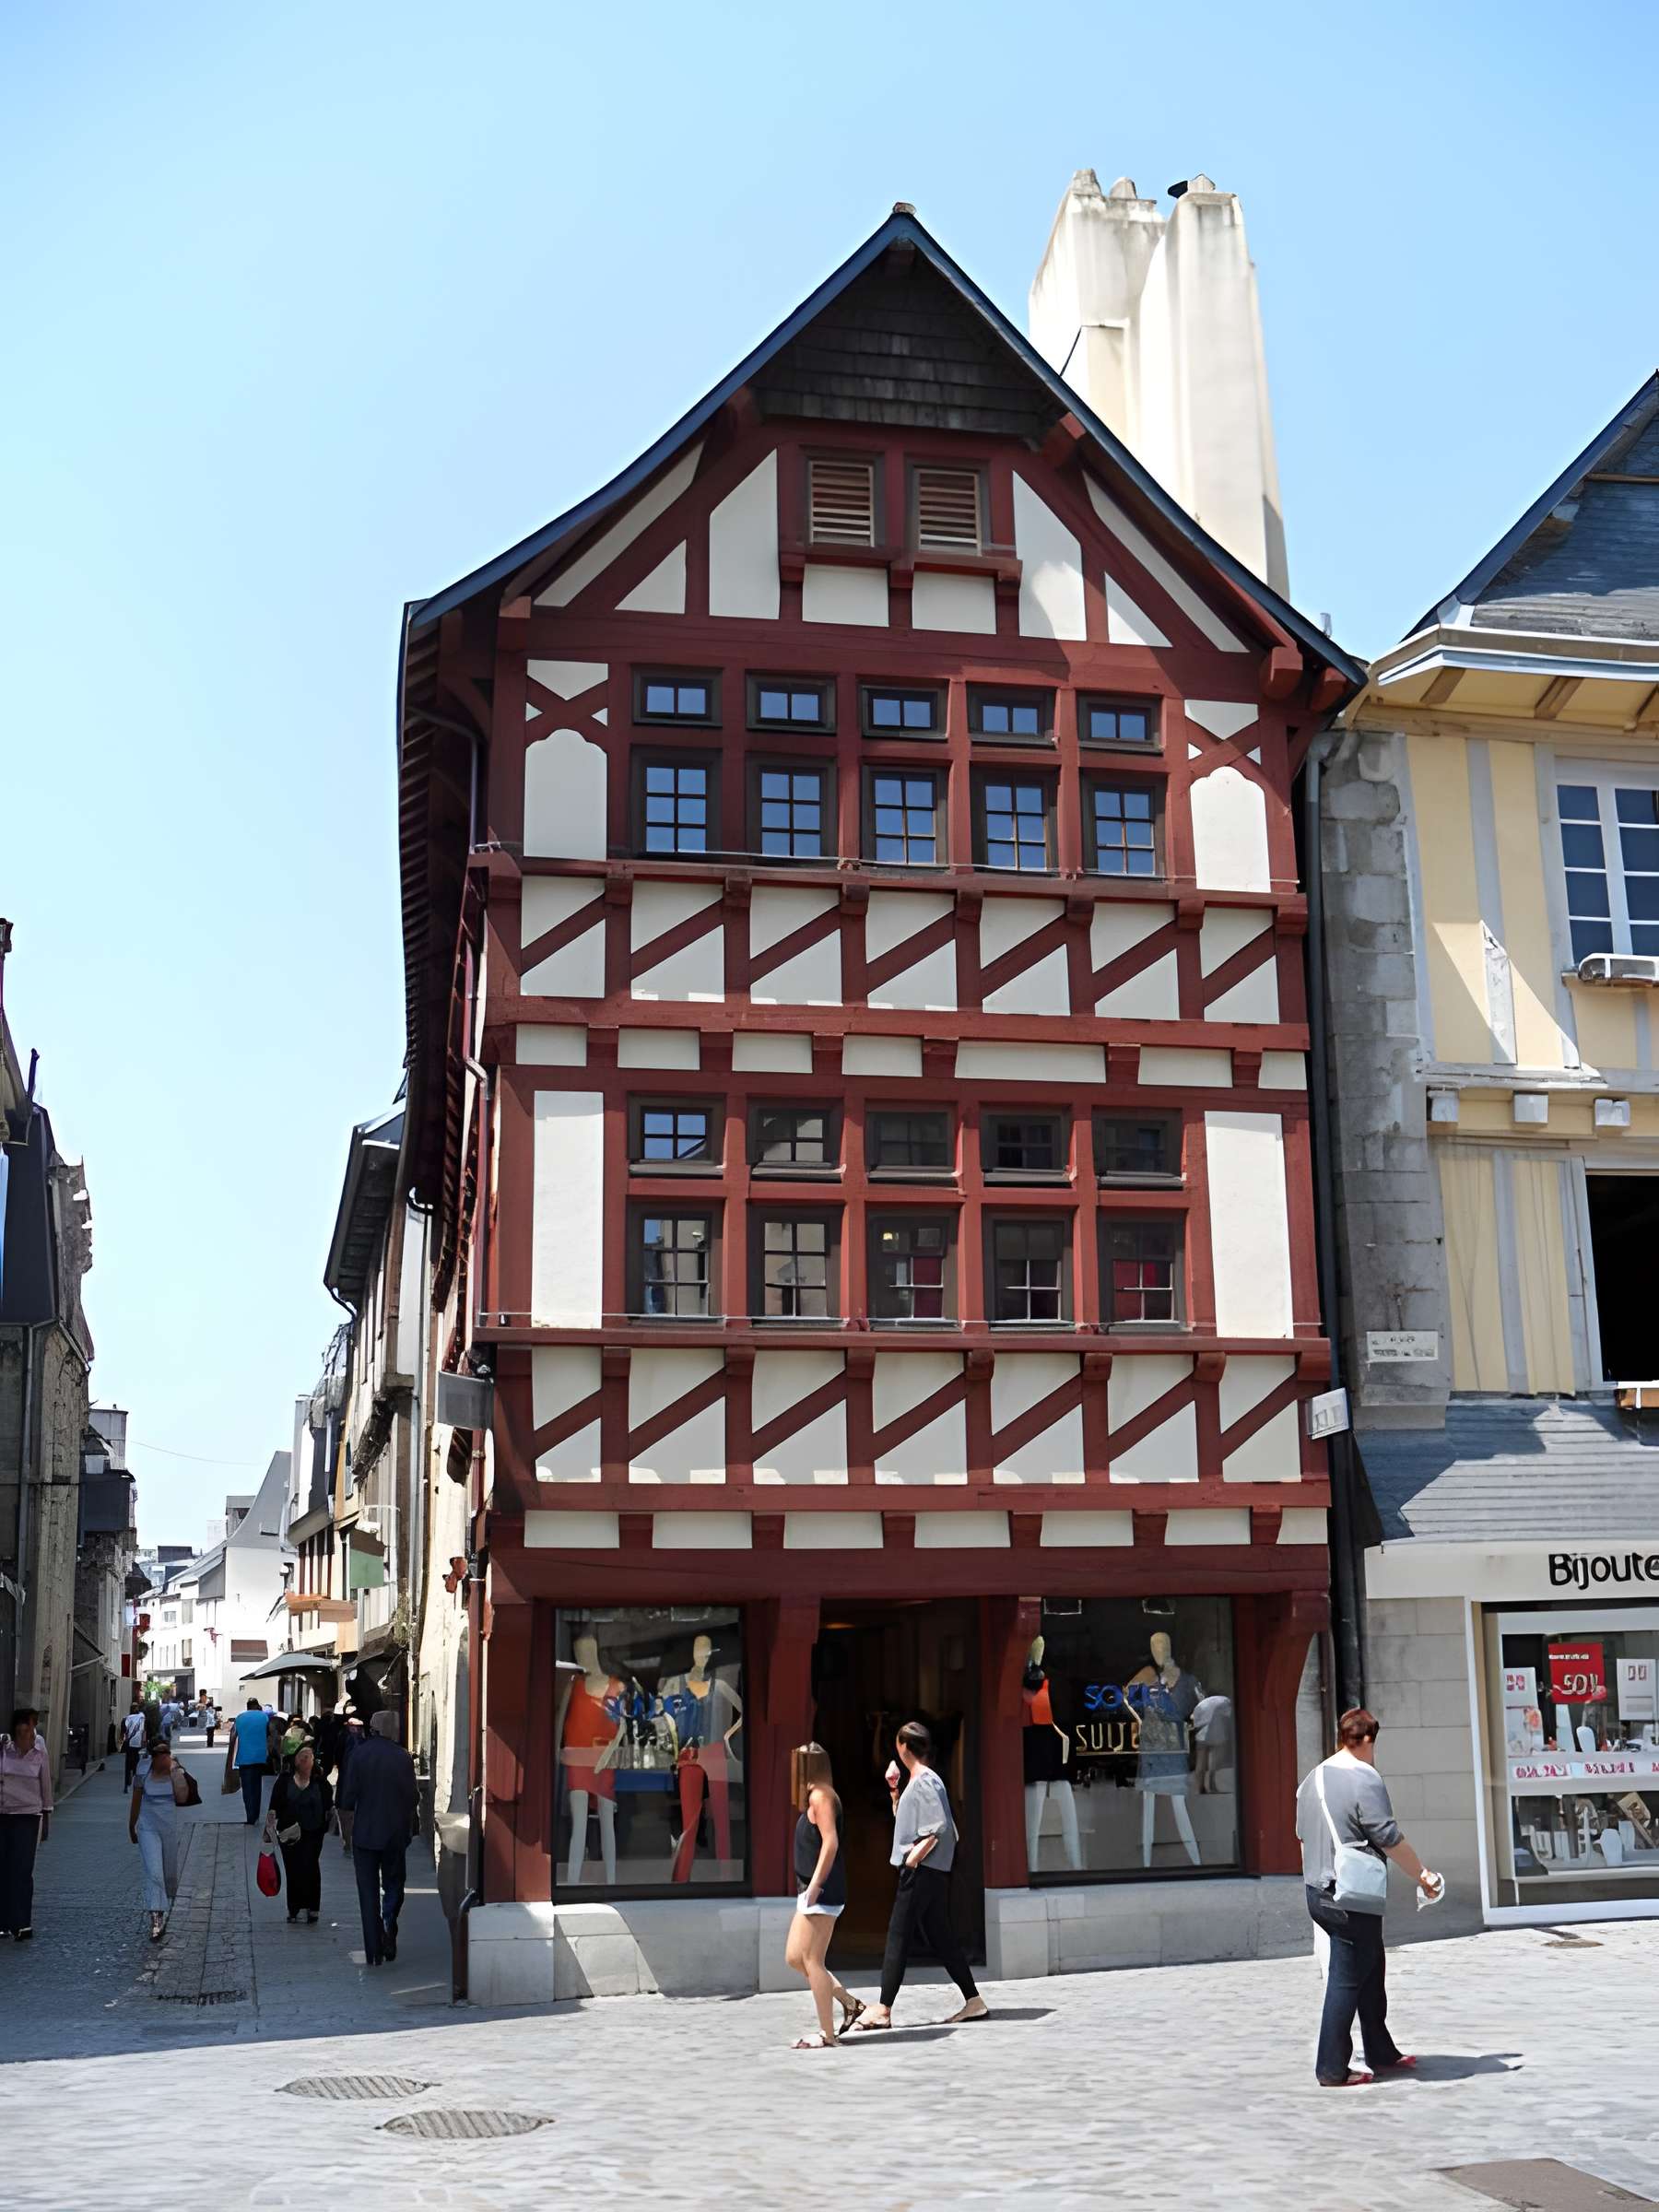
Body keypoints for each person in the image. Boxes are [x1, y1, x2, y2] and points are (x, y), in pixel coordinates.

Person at [1296, 1707, 1441, 2088]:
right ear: (1366, 1741)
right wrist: (1422, 1874)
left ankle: (1381, 2051)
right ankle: (1331, 2068)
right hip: (1350, 1893)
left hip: (1319, 1889)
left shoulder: (1312, 1779)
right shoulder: (1363, 1776)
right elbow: (1387, 1835)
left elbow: (1302, 1835)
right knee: (1346, 1980)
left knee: (1371, 1964)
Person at [852, 1721, 988, 2032]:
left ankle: (883, 2008)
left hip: (923, 1871)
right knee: (941, 1936)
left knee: (898, 1935)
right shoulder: (921, 1780)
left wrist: (913, 1860)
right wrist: (894, 1790)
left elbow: (937, 1827)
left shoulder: (925, 1780)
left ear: (903, 1747)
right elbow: (909, 1822)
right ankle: (973, 2000)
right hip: (931, 1871)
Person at [784, 1742, 864, 2049]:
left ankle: (827, 2034)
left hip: (822, 1890)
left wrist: (816, 1884)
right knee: (795, 1957)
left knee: (812, 1960)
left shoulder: (822, 1796)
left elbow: (830, 1843)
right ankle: (849, 2003)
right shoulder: (815, 1796)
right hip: (809, 1888)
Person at [337, 1710, 417, 1966]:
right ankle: (389, 1920)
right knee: (394, 1882)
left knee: (367, 1890)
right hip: (395, 1832)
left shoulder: (359, 1755)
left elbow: (348, 1797)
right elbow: (412, 1797)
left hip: (366, 1832)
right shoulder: (402, 1757)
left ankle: (373, 1948)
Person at [0, 1708, 53, 1942]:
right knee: (3, 1868)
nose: (30, 1732)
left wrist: (47, 1817)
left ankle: (22, 1923)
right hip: (3, 1814)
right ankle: (3, 1922)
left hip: (28, 1816)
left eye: (33, 1727)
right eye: (27, 1726)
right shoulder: (4, 1747)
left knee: (22, 1869)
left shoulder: (40, 1749)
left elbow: (46, 1784)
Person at [130, 1736, 189, 1941]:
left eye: (166, 1753)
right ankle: (156, 1916)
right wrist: (131, 1826)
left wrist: (175, 1771)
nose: (163, 1757)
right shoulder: (143, 1770)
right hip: (148, 1827)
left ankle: (161, 1909)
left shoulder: (176, 1769)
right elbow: (136, 1799)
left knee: (167, 1872)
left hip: (168, 1827)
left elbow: (182, 1797)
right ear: (152, 1756)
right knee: (154, 1871)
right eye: (159, 1753)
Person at [268, 1742, 333, 1925]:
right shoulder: (284, 1781)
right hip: (289, 1832)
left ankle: (313, 1908)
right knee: (293, 1869)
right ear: (295, 1760)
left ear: (313, 1761)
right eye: (302, 1756)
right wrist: (268, 1831)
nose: (305, 1759)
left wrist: (328, 1824)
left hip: (314, 1832)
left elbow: (329, 1807)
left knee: (311, 1866)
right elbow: (274, 1807)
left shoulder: (321, 1782)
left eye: (308, 1757)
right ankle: (294, 1908)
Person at [224, 1696, 273, 1825]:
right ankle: (255, 1815)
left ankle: (250, 1816)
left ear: (247, 1707)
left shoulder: (240, 1717)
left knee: (247, 1788)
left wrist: (230, 1758)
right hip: (260, 1757)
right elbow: (269, 1734)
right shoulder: (264, 1717)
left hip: (244, 1758)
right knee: (257, 1787)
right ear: (257, 1706)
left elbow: (233, 1736)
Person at [121, 1698, 148, 1789]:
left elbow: (123, 1733)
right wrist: (144, 1742)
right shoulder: (142, 1718)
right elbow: (144, 1731)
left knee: (128, 1762)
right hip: (137, 1744)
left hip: (129, 1744)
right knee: (136, 1760)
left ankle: (126, 1783)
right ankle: (135, 1779)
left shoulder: (125, 1719)